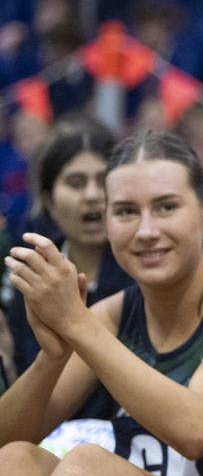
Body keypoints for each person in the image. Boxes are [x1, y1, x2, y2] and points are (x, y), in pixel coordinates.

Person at [0, 131, 203, 476]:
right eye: (126, 212)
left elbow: (198, 429)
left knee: (86, 468)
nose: (146, 230)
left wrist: (76, 323)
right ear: (106, 220)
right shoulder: (111, 316)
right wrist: (52, 358)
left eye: (166, 207)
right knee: (14, 460)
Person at [4, 119, 132, 377]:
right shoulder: (30, 272)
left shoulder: (144, 270)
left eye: (103, 181)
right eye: (76, 182)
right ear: (49, 200)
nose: (92, 195)